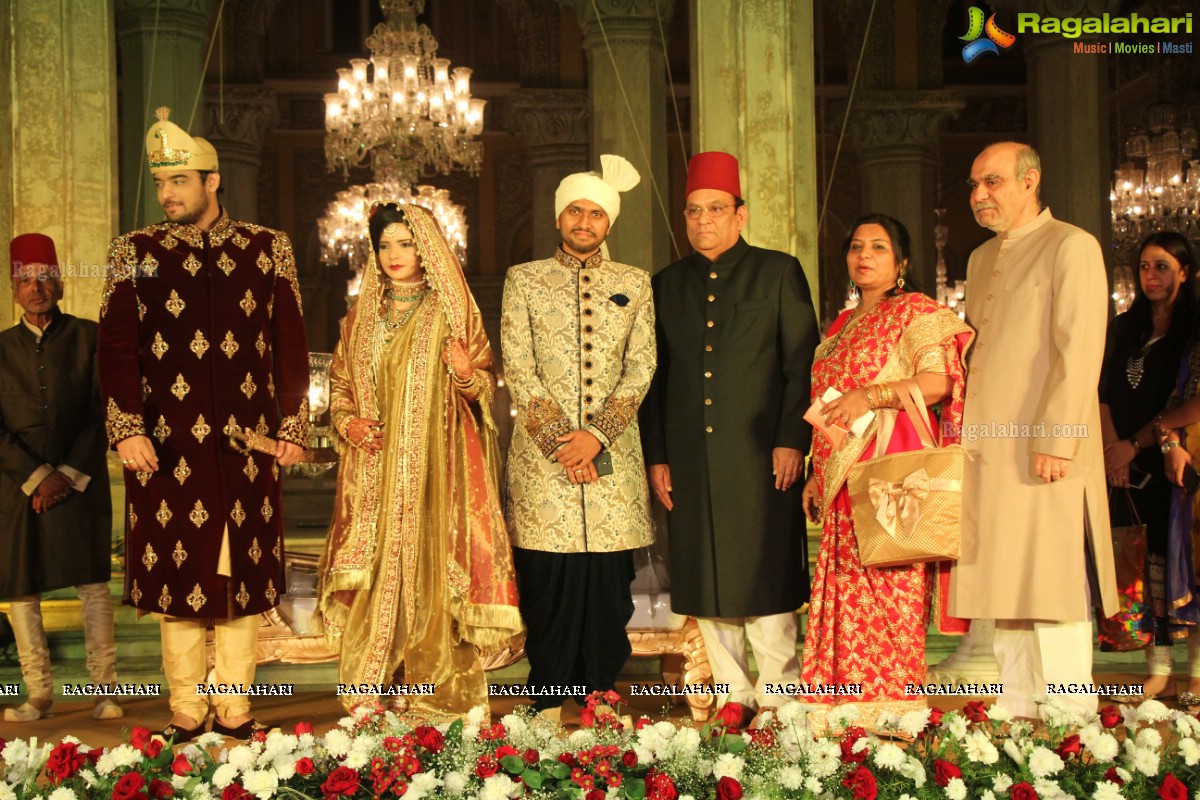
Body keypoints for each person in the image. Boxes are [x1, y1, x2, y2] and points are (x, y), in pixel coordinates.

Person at [98, 107, 310, 742]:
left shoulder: (266, 249)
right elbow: (116, 350)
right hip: (164, 444)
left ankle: (235, 705)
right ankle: (188, 706)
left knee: (239, 572)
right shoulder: (131, 253)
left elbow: (290, 345)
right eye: (162, 184)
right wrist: (126, 427)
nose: (167, 195)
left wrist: (293, 426)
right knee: (179, 568)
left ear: (212, 181)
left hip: (247, 445)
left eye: (180, 182)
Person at [317, 202, 523, 719]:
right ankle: (372, 685)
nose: (393, 255)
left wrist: (463, 372)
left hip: (438, 472)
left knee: (433, 573)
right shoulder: (359, 319)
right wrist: (350, 425)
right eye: (384, 245)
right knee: (377, 569)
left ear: (427, 249)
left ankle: (428, 686)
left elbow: (480, 389)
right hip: (377, 475)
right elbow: (339, 389)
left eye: (405, 244)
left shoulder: (451, 312)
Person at [641, 151, 819, 724]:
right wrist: (659, 456)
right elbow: (655, 378)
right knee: (706, 574)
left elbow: (802, 362)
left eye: (716, 209)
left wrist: (793, 438)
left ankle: (781, 699)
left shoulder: (777, 271)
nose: (703, 221)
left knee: (764, 572)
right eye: (693, 211)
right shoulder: (665, 285)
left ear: (740, 215)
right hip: (692, 459)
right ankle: (735, 697)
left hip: (762, 455)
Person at [950, 141, 1118, 719]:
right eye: (974, 185)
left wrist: (1057, 440)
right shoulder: (978, 259)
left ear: (1031, 181)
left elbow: (1080, 350)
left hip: (1048, 448)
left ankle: (1073, 718)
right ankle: (1019, 709)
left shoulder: (1071, 245)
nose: (979, 196)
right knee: (1005, 581)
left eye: (992, 182)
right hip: (990, 452)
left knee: (1052, 580)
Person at [800, 215, 972, 720]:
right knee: (841, 599)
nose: (864, 255)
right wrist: (815, 470)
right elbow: (829, 406)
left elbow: (939, 382)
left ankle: (893, 719)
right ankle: (838, 720)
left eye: (878, 247)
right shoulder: (840, 326)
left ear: (902, 262)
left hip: (891, 480)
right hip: (839, 480)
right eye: (856, 246)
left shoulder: (915, 312)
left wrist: (870, 395)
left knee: (889, 600)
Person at [502, 155, 655, 720]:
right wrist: (563, 444)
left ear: (608, 223)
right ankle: (547, 697)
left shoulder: (634, 284)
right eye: (575, 210)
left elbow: (640, 368)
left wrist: (595, 438)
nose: (584, 221)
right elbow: (519, 366)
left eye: (595, 213)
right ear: (559, 216)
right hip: (545, 466)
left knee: (607, 587)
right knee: (548, 583)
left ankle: (600, 695)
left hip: (612, 458)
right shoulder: (525, 279)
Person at [1, 233, 121, 722]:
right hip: (16, 487)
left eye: (45, 278)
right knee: (21, 591)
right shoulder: (1, 348)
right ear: (14, 287)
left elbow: (104, 412)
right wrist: (36, 476)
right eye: (26, 279)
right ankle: (38, 694)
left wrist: (66, 475)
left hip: (81, 479)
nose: (36, 288)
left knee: (93, 584)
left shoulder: (91, 337)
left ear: (61, 284)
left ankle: (105, 690)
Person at [1099, 232, 1196, 703]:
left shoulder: (1194, 327)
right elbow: (1099, 392)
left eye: (1161, 266)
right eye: (1144, 267)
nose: (1151, 276)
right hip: (1123, 461)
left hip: (1172, 457)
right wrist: (1112, 447)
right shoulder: (1124, 326)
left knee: (1183, 562)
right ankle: (1158, 671)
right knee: (1140, 566)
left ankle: (1195, 674)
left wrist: (1134, 445)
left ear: (1185, 272)